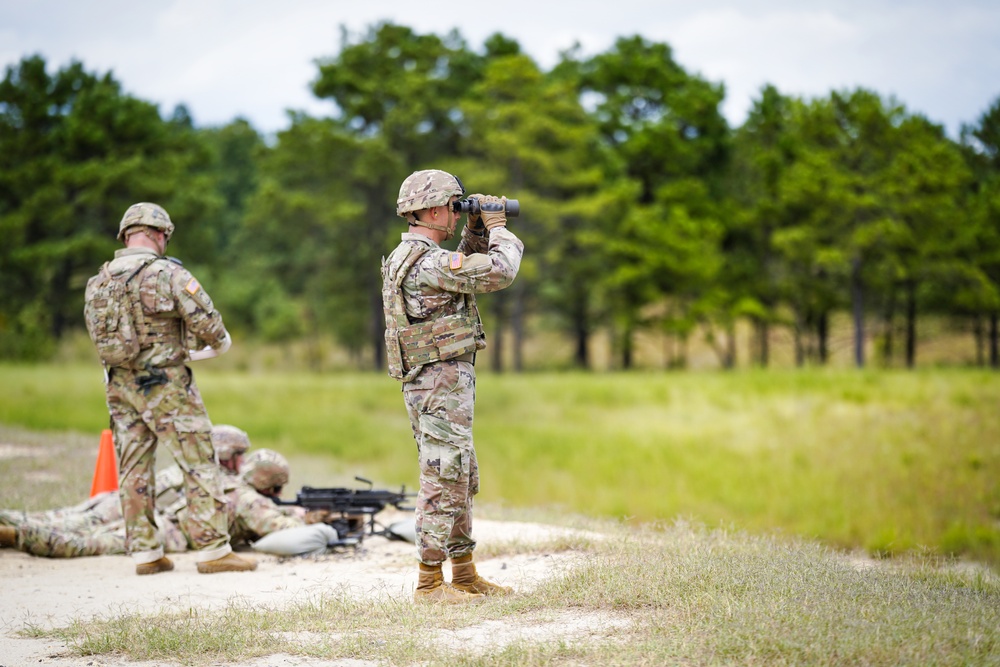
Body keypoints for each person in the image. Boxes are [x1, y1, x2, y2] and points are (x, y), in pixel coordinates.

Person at [82, 202, 255, 575]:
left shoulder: (100, 280)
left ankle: (145, 553)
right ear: (160, 234)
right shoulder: (167, 273)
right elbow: (208, 323)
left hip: (118, 383)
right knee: (198, 460)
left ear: (126, 234)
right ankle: (212, 550)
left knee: (133, 467)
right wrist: (216, 345)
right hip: (165, 384)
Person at [381, 169, 523, 603]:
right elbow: (498, 274)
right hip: (439, 382)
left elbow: (460, 273)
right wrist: (500, 232)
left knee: (458, 473)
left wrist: (475, 230)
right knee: (443, 476)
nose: (454, 212)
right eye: (453, 205)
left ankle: (462, 572)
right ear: (431, 209)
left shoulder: (415, 256)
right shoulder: (427, 261)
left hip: (438, 382)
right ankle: (429, 582)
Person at [0, 425, 254, 559]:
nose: (243, 462)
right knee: (81, 541)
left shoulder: (185, 468)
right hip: (145, 519)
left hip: (117, 501)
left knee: (56, 518)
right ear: (226, 455)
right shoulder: (214, 481)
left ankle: (11, 522)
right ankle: (13, 536)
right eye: (239, 455)